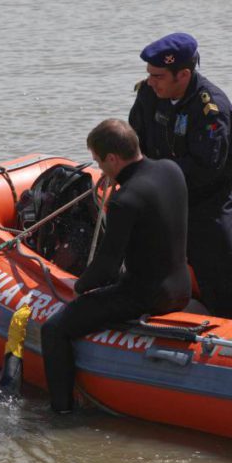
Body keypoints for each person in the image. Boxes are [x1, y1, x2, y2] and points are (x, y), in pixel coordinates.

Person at [41, 119, 191, 414]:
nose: (100, 169)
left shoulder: (125, 199)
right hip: (181, 288)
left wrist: (79, 286)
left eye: (98, 161)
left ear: (113, 158)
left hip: (147, 296)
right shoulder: (171, 170)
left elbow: (107, 269)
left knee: (53, 330)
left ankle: (60, 411)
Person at [129, 32, 232, 320]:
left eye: (158, 76)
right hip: (162, 196)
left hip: (208, 204)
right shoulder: (149, 94)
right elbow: (135, 141)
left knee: (220, 278)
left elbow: (206, 168)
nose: (151, 81)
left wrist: (155, 177)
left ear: (182, 75)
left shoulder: (211, 108)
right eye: (150, 75)